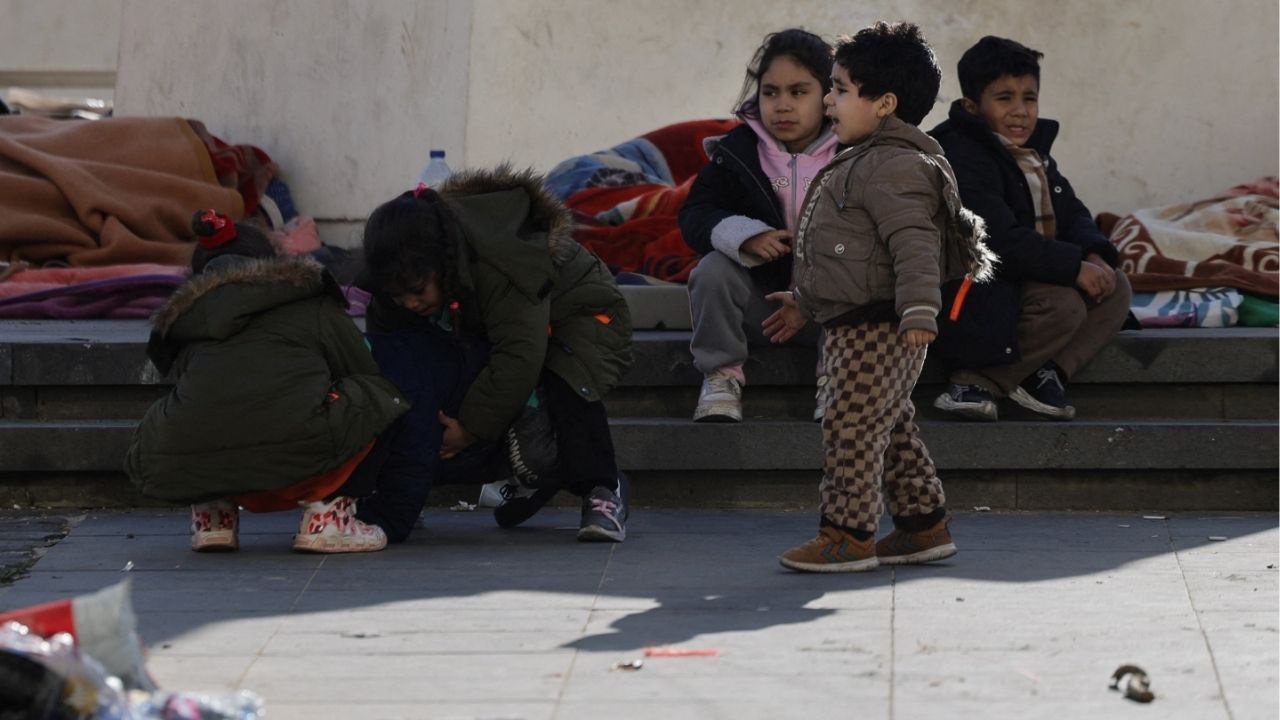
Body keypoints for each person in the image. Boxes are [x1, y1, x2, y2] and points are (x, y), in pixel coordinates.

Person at [766, 22, 995, 572]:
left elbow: (915, 244)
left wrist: (920, 309)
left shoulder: (895, 166)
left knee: (850, 425)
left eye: (841, 89)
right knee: (888, 425)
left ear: (884, 102)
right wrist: (805, 300)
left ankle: (848, 534)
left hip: (881, 326)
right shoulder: (863, 157)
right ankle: (922, 526)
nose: (828, 99)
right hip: (852, 321)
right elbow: (843, 255)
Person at [358, 167, 634, 542]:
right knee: (435, 373)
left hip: (582, 313)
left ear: (441, 263)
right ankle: (527, 474)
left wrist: (469, 429)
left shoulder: (499, 261)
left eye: (417, 290)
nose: (408, 302)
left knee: (568, 376)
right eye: (397, 295)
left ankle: (603, 489)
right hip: (509, 323)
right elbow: (393, 354)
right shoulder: (410, 275)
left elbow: (519, 354)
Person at [125, 210, 408, 554]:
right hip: (299, 461)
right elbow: (360, 368)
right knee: (378, 396)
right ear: (270, 263)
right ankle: (329, 519)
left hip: (194, 464)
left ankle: (213, 516)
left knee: (198, 414)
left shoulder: (186, 320)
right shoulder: (309, 300)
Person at [928, 36, 1132, 422]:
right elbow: (995, 239)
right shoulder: (961, 154)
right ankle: (973, 383)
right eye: (1004, 98)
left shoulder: (1033, 155)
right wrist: (1073, 268)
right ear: (973, 105)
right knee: (1063, 303)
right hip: (971, 289)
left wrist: (1092, 253)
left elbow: (1072, 212)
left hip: (1022, 275)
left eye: (1029, 98)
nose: (1020, 111)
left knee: (1116, 284)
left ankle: (1043, 374)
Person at [678, 28, 838, 423]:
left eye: (798, 92)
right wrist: (744, 236)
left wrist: (808, 299)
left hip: (829, 312)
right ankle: (721, 377)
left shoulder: (853, 153)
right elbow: (696, 213)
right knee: (711, 271)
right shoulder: (739, 151)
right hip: (762, 312)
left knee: (865, 278)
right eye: (771, 92)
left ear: (828, 95)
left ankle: (837, 383)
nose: (782, 105)